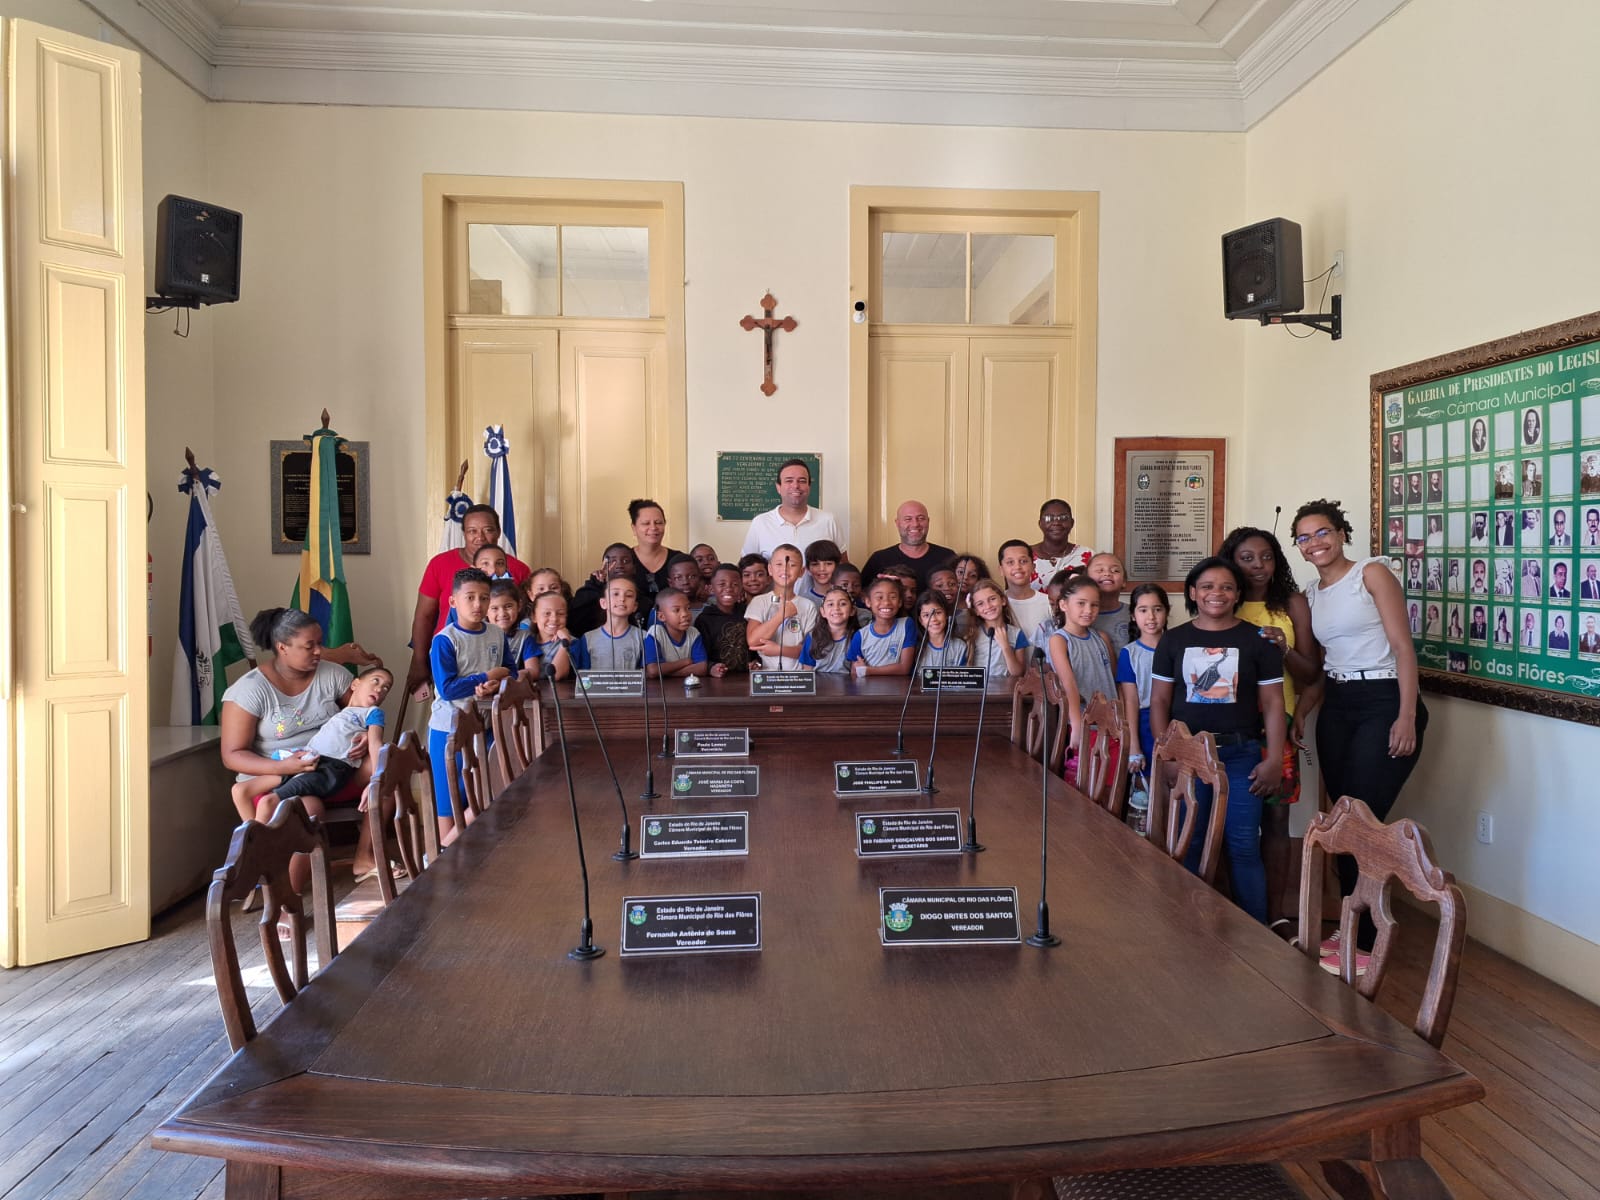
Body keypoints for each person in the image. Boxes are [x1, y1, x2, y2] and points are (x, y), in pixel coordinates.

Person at [1292, 498, 1426, 973]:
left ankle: (1368, 939)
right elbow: (1325, 666)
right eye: (1304, 537)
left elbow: (1402, 647)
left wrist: (1406, 715)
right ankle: (1353, 926)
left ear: (1341, 533)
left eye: (1322, 532)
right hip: (1339, 706)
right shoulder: (1313, 594)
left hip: (1384, 700)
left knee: (1363, 823)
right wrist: (1301, 713)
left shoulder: (1371, 573)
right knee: (1343, 819)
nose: (1315, 543)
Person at [1150, 556, 1286, 925]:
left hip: (1240, 755)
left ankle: (1256, 933)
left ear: (1238, 593)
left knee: (1243, 843)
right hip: (1189, 755)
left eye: (1226, 586)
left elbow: (1274, 703)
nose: (1217, 593)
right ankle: (1189, 928)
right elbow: (1160, 701)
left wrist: (1274, 759)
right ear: (1193, 592)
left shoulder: (1258, 641)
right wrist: (1169, 755)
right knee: (1190, 840)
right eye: (1207, 586)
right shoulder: (1174, 640)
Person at [220, 608, 386, 886]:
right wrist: (284, 766)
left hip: (329, 768)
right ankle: (286, 898)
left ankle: (364, 857)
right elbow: (232, 755)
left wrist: (366, 737)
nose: (321, 651)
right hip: (275, 778)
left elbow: (362, 711)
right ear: (282, 647)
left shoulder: (332, 675)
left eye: (320, 643)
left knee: (385, 771)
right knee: (306, 808)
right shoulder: (248, 690)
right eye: (311, 646)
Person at [1221, 525, 1318, 932]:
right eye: (1246, 558)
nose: (1258, 566)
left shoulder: (1291, 603)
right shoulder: (1224, 599)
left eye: (1266, 557)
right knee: (1230, 819)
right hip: (1232, 727)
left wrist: (1284, 648)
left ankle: (1274, 914)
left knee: (1276, 821)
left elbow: (1312, 672)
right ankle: (1230, 907)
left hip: (1280, 724)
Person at [405, 504, 530, 697]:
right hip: (452, 655)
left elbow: (526, 614)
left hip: (497, 655)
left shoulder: (518, 569)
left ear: (498, 532)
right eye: (472, 531)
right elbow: (425, 615)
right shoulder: (440, 564)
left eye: (487, 530)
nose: (480, 537)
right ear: (463, 533)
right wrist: (419, 660)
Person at [429, 568, 515, 845]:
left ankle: (449, 849)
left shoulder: (496, 634)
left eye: (484, 598)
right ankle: (442, 850)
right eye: (470, 598)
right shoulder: (445, 640)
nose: (478, 605)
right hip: (449, 728)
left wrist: (495, 684)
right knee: (448, 797)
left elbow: (510, 671)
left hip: (486, 725)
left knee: (485, 790)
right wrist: (487, 677)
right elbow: (448, 688)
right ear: (453, 601)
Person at [1046, 574, 1117, 780]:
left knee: (1111, 787)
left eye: (1094, 605)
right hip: (1086, 726)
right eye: (1081, 603)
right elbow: (1068, 685)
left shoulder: (1101, 637)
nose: (1088, 610)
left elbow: (1113, 680)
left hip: (1113, 725)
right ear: (1063, 604)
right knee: (1085, 786)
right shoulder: (1060, 640)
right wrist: (1076, 725)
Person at [741, 459, 843, 559]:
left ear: (809, 486)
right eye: (789, 480)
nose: (795, 486)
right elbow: (746, 569)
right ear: (778, 487)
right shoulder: (761, 523)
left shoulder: (829, 520)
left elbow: (843, 569)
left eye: (802, 481)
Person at [1118, 584, 1169, 772]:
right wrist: (1134, 746)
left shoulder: (1178, 647)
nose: (1151, 617)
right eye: (1143, 610)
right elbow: (1130, 701)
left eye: (1157, 609)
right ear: (1133, 615)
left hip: (1177, 721)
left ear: (1167, 611)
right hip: (1145, 724)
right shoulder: (1129, 654)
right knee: (1150, 784)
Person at [861, 502, 955, 595]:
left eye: (921, 518)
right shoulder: (879, 559)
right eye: (908, 519)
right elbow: (862, 593)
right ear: (897, 523)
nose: (915, 524)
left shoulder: (948, 557)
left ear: (928, 521)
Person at [745, 544, 814, 669]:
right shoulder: (759, 602)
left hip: (798, 678)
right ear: (770, 569)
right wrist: (780, 616)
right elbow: (753, 641)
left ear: (801, 572)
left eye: (792, 565)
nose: (785, 569)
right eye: (779, 564)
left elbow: (810, 649)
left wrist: (779, 650)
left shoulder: (808, 605)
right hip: (765, 678)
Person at [846, 576, 917, 676]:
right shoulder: (860, 636)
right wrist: (861, 670)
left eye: (893, 597)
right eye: (879, 597)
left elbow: (904, 668)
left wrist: (868, 671)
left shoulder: (906, 625)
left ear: (900, 602)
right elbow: (855, 672)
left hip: (900, 690)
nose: (886, 602)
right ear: (868, 602)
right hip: (869, 690)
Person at [571, 575, 645, 670]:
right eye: (615, 594)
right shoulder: (588, 638)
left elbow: (645, 675)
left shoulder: (643, 637)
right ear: (603, 603)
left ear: (635, 606)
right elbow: (583, 676)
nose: (622, 599)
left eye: (629, 595)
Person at [569, 543, 641, 637]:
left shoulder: (641, 599)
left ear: (634, 567)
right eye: (612, 561)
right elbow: (575, 617)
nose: (619, 565)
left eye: (625, 561)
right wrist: (595, 583)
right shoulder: (592, 591)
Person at [626, 498, 684, 607]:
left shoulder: (678, 560)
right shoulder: (624, 561)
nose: (653, 528)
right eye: (646, 523)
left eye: (658, 523)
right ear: (634, 528)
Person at [696, 563, 752, 674]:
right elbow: (701, 655)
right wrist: (711, 668)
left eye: (735, 584)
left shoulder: (749, 613)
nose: (728, 589)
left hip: (746, 678)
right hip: (717, 680)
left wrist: (755, 662)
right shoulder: (705, 619)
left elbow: (755, 646)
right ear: (711, 589)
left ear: (742, 588)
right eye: (722, 584)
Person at [644, 588, 713, 678]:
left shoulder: (693, 633)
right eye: (677, 610)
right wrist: (685, 662)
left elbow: (701, 668)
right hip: (661, 689)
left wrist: (666, 673)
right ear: (661, 616)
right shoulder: (656, 633)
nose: (685, 614)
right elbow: (653, 670)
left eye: (688, 608)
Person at [968, 579, 1028, 680]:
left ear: (1003, 600)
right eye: (980, 604)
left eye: (992, 599)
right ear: (976, 611)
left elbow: (1018, 673)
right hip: (980, 692)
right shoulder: (973, 634)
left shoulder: (1016, 634)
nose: (988, 606)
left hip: (1006, 691)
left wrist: (1005, 646)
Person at [1030, 499, 1094, 587]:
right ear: (1040, 523)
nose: (1056, 523)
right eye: (1049, 518)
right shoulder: (1024, 555)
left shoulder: (1088, 556)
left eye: (1063, 518)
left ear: (1072, 523)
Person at [999, 538, 1052, 637]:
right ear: (1001, 570)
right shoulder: (996, 603)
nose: (1017, 567)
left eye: (1023, 561)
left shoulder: (1048, 603)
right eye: (1010, 562)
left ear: (1033, 567)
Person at [798, 587, 857, 674]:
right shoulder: (813, 636)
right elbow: (807, 669)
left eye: (843, 604)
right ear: (823, 612)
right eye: (830, 604)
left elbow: (855, 672)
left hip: (846, 686)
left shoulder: (857, 638)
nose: (836, 608)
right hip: (819, 686)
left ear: (852, 610)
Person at [1087, 553, 1131, 657]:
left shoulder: (1135, 613)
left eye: (1115, 570)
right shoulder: (1080, 615)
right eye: (1100, 570)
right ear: (1087, 579)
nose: (1107, 573)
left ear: (1124, 581)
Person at [527, 590, 574, 680]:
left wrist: (566, 640)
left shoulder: (573, 642)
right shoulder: (528, 641)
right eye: (547, 613)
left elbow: (557, 675)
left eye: (560, 614)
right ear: (534, 617)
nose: (554, 619)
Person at [913, 590, 968, 667]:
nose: (933, 619)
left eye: (938, 613)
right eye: (926, 615)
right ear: (920, 620)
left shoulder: (959, 646)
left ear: (946, 614)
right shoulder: (915, 647)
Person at [798, 539, 843, 605]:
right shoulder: (803, 601)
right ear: (807, 569)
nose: (822, 569)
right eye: (815, 564)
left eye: (828, 563)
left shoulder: (846, 597)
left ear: (837, 566)